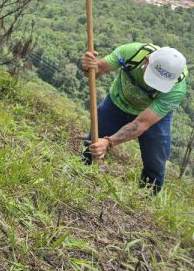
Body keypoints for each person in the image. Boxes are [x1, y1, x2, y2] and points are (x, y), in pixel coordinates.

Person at [80, 43, 187, 194]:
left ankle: (146, 197)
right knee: (94, 143)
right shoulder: (131, 52)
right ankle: (82, 174)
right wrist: (88, 66)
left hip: (151, 114)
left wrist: (109, 142)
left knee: (155, 161)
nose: (154, 85)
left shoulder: (177, 89)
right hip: (117, 103)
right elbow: (95, 71)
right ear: (147, 60)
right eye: (153, 76)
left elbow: (142, 123)